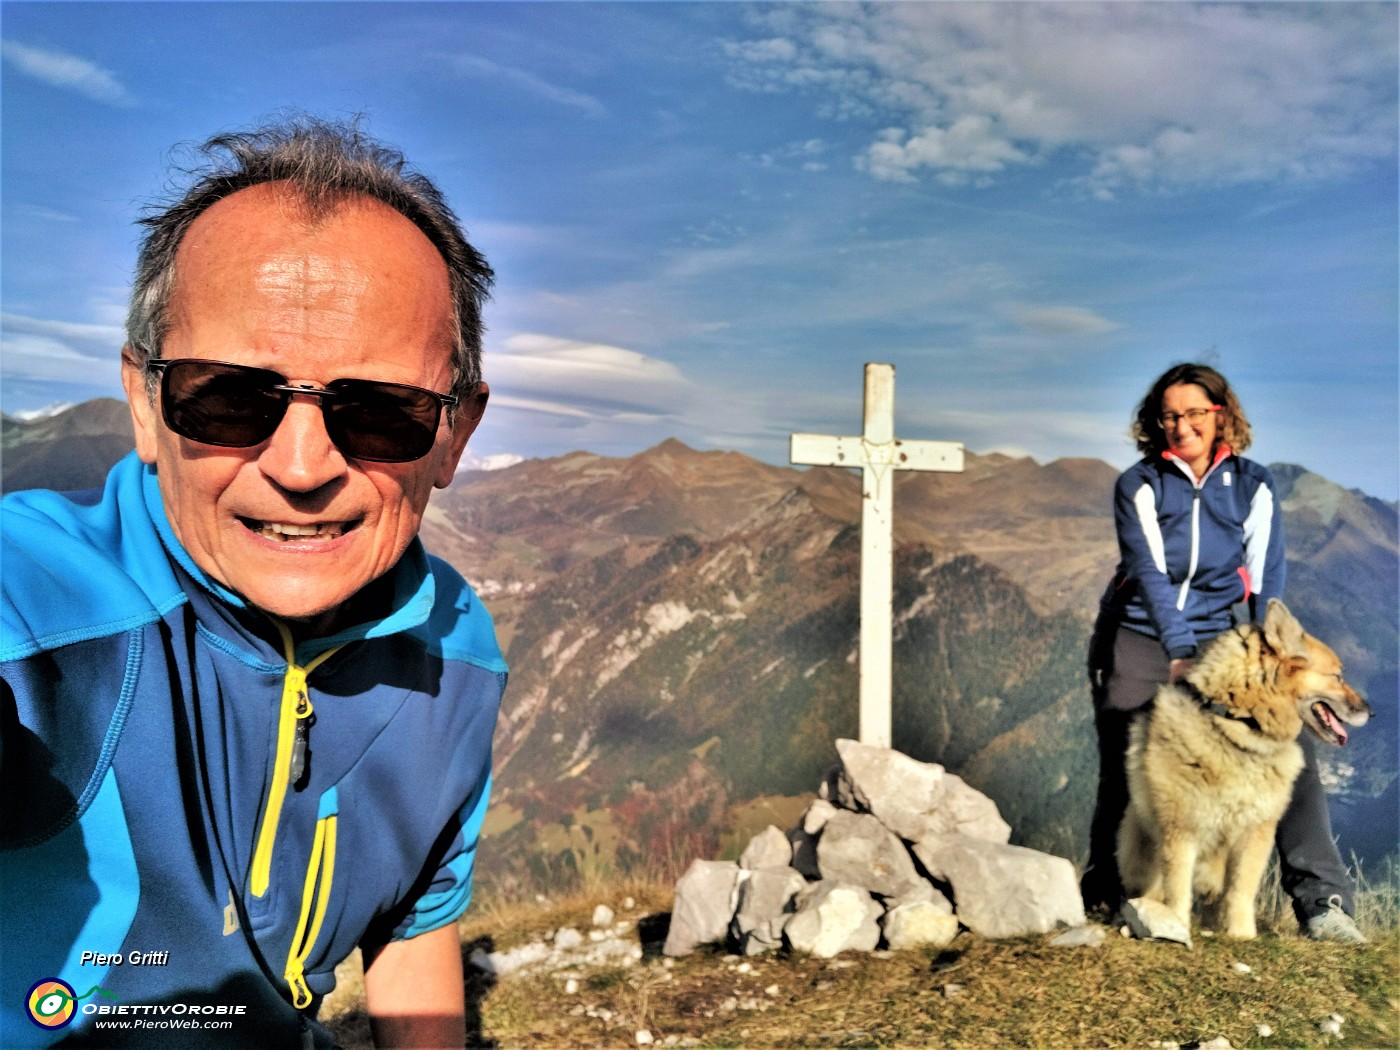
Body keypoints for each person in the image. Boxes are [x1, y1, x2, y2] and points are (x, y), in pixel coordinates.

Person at [1, 118, 507, 1047]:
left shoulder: (459, 652)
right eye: (229, 396)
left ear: (455, 435)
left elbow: (417, 914)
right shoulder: (33, 608)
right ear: (147, 406)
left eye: (382, 410)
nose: (303, 465)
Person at [1081, 362, 1366, 943]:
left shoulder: (1252, 484)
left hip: (1223, 633)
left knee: (1289, 752)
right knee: (1129, 758)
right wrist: (1178, 651)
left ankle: (1322, 902)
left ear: (1221, 416)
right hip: (1139, 632)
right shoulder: (1139, 485)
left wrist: (1271, 666)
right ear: (1154, 422)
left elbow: (1267, 577)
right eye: (1168, 415)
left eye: (1193, 413)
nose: (1180, 425)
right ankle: (1110, 893)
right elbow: (1151, 574)